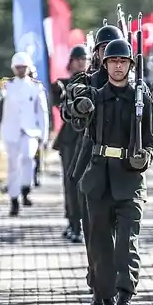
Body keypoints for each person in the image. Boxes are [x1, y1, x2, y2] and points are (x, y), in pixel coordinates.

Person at [73, 37, 153, 305]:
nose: (118, 66)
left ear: (130, 65)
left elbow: (152, 142)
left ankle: (124, 302)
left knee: (126, 245)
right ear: (105, 64)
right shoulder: (95, 96)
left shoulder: (142, 98)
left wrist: (144, 157)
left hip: (129, 181)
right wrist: (78, 103)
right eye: (113, 61)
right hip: (98, 180)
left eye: (123, 61)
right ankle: (106, 303)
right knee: (100, 248)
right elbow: (75, 115)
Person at [0, 52, 50, 216]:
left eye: (23, 67)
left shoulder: (36, 86)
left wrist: (44, 135)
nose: (21, 70)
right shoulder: (7, 84)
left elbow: (42, 113)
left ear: (28, 68)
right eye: (18, 67)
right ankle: (14, 199)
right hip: (11, 131)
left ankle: (26, 187)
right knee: (12, 165)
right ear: (13, 68)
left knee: (28, 158)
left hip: (30, 131)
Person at [51, 44, 90, 242]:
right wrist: (60, 91)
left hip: (89, 138)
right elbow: (58, 101)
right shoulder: (63, 84)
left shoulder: (94, 83)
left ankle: (85, 223)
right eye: (77, 59)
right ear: (71, 63)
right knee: (71, 182)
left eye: (84, 59)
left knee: (87, 183)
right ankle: (74, 222)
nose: (81, 62)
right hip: (70, 139)